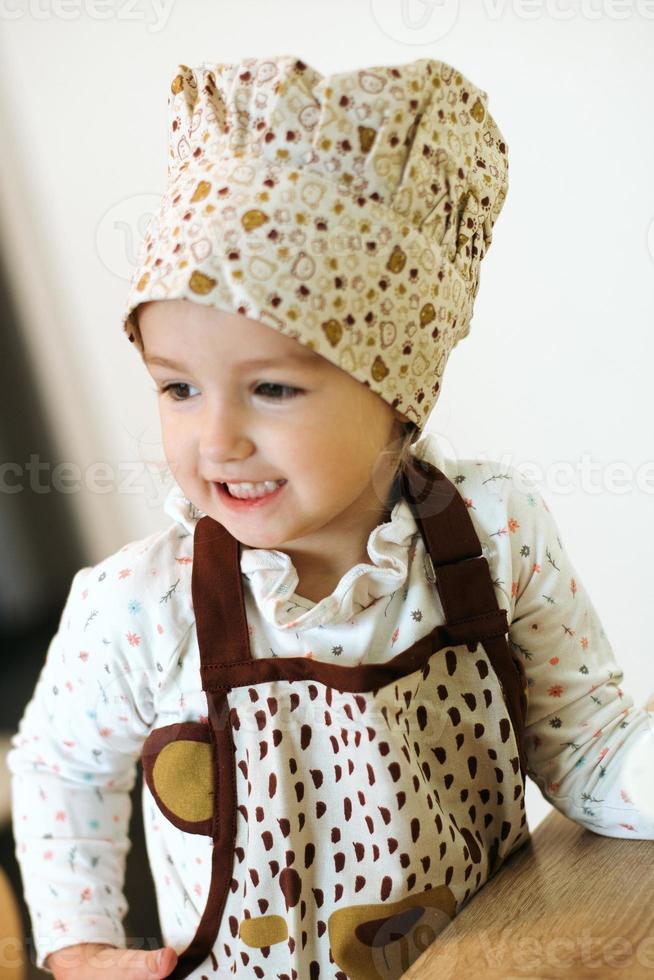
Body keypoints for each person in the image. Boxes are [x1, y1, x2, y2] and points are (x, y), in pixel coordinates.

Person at [7, 54, 654, 980]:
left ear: (397, 390)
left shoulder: (495, 532)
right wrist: (78, 950)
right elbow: (59, 769)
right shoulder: (139, 604)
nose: (216, 437)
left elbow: (588, 751)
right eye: (178, 388)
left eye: (271, 388)